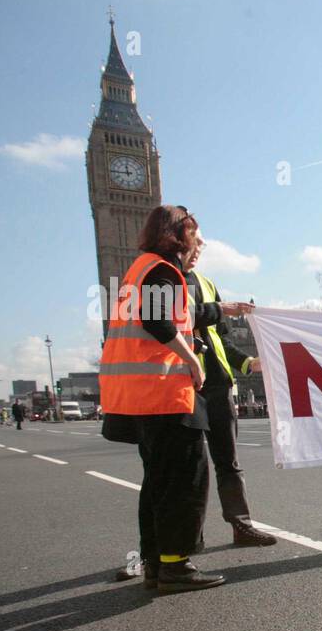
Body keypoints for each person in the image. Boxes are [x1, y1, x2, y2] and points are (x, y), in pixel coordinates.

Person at [99, 204, 223, 593]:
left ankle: (155, 562)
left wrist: (194, 338)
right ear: (177, 235)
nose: (199, 244)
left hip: (140, 398)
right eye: (195, 236)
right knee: (184, 481)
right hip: (165, 395)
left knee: (157, 482)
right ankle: (175, 566)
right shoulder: (161, 270)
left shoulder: (138, 271)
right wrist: (193, 361)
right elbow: (157, 323)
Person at [183, 239, 276, 548]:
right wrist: (219, 308)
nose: (198, 249)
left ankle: (241, 524)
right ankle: (185, 539)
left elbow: (221, 337)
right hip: (184, 385)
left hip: (219, 385)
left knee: (228, 461)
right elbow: (166, 321)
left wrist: (248, 363)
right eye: (192, 242)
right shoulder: (163, 277)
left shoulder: (207, 282)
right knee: (188, 466)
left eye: (200, 244)